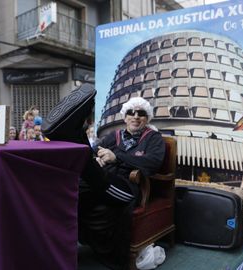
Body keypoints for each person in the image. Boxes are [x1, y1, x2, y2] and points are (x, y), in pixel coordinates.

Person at [42, 85, 165, 269]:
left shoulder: (153, 138)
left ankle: (75, 133)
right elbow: (93, 152)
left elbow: (152, 163)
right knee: (75, 188)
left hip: (127, 188)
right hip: (104, 180)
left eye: (141, 113)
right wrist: (98, 159)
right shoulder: (112, 136)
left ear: (146, 118)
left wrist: (117, 157)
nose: (136, 116)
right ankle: (75, 133)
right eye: (131, 112)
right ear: (125, 117)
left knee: (96, 178)